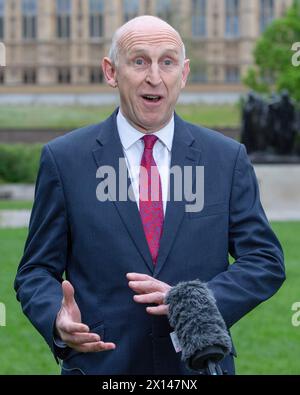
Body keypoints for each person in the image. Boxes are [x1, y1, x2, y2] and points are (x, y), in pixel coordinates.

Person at [14, 16, 285, 375]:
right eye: (139, 61)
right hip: (103, 366)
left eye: (167, 62)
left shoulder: (226, 158)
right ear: (111, 72)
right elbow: (35, 270)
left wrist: (195, 303)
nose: (154, 76)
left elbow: (265, 259)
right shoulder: (64, 160)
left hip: (197, 367)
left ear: (184, 74)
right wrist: (56, 318)